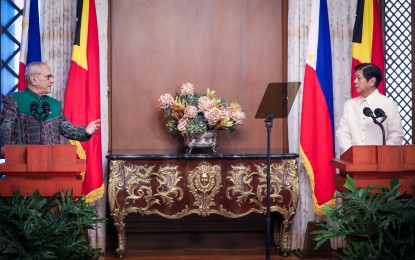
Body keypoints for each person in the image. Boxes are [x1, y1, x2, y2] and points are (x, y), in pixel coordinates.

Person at [0, 61, 100, 157]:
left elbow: (66, 128)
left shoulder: (54, 104)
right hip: (21, 163)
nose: (52, 81)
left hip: (51, 163)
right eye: (48, 77)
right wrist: (5, 148)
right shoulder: (14, 99)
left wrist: (85, 131)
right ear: (34, 79)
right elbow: (6, 126)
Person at [336, 63, 404, 153]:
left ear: (372, 81)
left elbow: (396, 135)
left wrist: (382, 154)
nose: (355, 81)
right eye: (354, 78)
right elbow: (342, 133)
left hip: (381, 163)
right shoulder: (349, 105)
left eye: (359, 78)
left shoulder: (388, 104)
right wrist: (352, 152)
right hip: (353, 162)